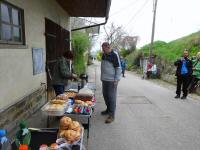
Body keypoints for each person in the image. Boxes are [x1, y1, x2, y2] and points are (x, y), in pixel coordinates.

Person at [101, 42, 121, 123]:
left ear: (108, 47)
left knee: (111, 97)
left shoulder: (114, 55)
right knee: (105, 95)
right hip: (104, 79)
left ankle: (112, 115)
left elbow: (118, 68)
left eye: (103, 49)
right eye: (102, 49)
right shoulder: (104, 54)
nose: (103, 50)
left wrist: (116, 79)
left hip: (111, 81)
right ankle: (108, 109)